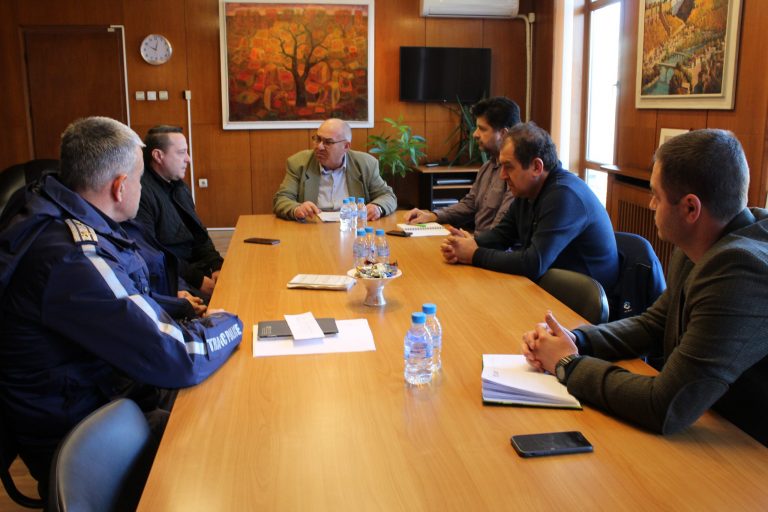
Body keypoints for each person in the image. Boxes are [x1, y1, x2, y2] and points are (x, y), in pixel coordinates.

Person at [0, 117, 243, 488]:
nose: (143, 190)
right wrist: (232, 321)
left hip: (104, 396)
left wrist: (179, 307)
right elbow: (181, 357)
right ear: (120, 186)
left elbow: (118, 295)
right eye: (141, 180)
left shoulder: (60, 214)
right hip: (84, 436)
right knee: (227, 436)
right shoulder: (71, 256)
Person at [522, 129, 768, 445]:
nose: (651, 205)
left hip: (747, 448)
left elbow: (663, 405)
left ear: (690, 209)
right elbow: (654, 323)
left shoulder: (738, 268)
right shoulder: (705, 242)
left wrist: (568, 365)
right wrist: (576, 340)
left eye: (656, 195)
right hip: (713, 419)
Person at [441, 122, 619, 292]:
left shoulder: (564, 196)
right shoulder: (528, 190)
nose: (502, 175)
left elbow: (533, 264)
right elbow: (502, 235)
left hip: (579, 303)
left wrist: (474, 254)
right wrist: (471, 243)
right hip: (550, 289)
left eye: (509, 167)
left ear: (536, 167)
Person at [404, 97, 520, 234]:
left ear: (504, 134)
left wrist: (473, 242)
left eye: (482, 129)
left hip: (490, 245)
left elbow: (502, 230)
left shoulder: (516, 174)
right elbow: (469, 205)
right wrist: (433, 216)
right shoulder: (487, 167)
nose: (475, 134)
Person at [135, 125, 223, 298]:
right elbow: (153, 254)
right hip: (175, 279)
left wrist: (216, 265)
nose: (188, 159)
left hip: (196, 269)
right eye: (182, 153)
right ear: (158, 156)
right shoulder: (141, 194)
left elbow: (199, 233)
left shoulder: (179, 186)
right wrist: (198, 280)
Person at [273, 118, 397, 221]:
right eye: (318, 139)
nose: (319, 146)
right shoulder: (299, 163)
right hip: (313, 227)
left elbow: (387, 196)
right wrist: (297, 209)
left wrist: (377, 207)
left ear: (346, 146)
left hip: (352, 228)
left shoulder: (366, 164)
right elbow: (281, 199)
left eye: (328, 142)